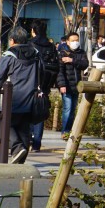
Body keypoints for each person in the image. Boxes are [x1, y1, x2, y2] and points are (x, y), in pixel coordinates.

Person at [0, 26, 41, 164]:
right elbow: (43, 74)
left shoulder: (10, 55)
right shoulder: (36, 54)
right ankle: (21, 157)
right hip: (30, 98)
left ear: (12, 40)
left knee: (4, 125)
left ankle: (17, 148)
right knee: (23, 128)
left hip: (11, 99)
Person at [29, 23, 60, 152]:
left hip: (32, 82)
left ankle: (29, 139)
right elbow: (56, 65)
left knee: (29, 112)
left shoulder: (30, 44)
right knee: (40, 112)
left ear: (33, 30)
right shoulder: (51, 46)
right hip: (46, 83)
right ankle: (37, 144)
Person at [56, 31, 88, 139]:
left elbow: (84, 64)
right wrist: (62, 85)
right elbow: (59, 71)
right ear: (68, 42)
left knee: (73, 109)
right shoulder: (62, 52)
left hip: (76, 85)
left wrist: (72, 60)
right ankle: (64, 131)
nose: (75, 42)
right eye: (73, 40)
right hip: (66, 85)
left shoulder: (81, 52)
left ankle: (69, 130)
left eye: (77, 40)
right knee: (67, 108)